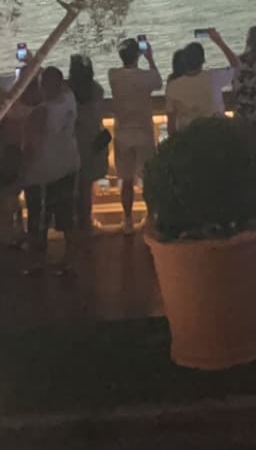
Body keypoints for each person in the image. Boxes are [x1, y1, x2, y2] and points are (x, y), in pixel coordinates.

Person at [21, 64, 80, 276]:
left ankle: (37, 261)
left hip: (44, 173)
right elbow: (61, 84)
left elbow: (32, 148)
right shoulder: (69, 99)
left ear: (41, 86)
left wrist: (21, 173)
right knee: (67, 215)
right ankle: (70, 258)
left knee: (38, 219)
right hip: (69, 164)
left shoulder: (40, 113)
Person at [210, 24, 256, 181]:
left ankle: (252, 199)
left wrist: (219, 41)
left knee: (246, 162)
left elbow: (233, 70)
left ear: (248, 40)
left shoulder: (239, 61)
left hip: (244, 120)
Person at [110, 36, 162, 235]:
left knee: (126, 180)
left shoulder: (113, 75)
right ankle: (150, 216)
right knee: (148, 178)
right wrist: (149, 58)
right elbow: (158, 82)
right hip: (143, 132)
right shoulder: (146, 77)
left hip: (122, 133)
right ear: (138, 54)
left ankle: (128, 220)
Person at [68, 53, 109, 233]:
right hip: (92, 141)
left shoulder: (67, 93)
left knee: (74, 185)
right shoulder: (97, 90)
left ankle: (75, 221)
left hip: (72, 142)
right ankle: (86, 221)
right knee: (86, 185)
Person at [165, 40, 227, 134]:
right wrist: (218, 40)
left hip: (187, 136)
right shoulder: (213, 77)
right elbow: (237, 66)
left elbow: (171, 122)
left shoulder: (173, 86)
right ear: (202, 60)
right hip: (215, 134)